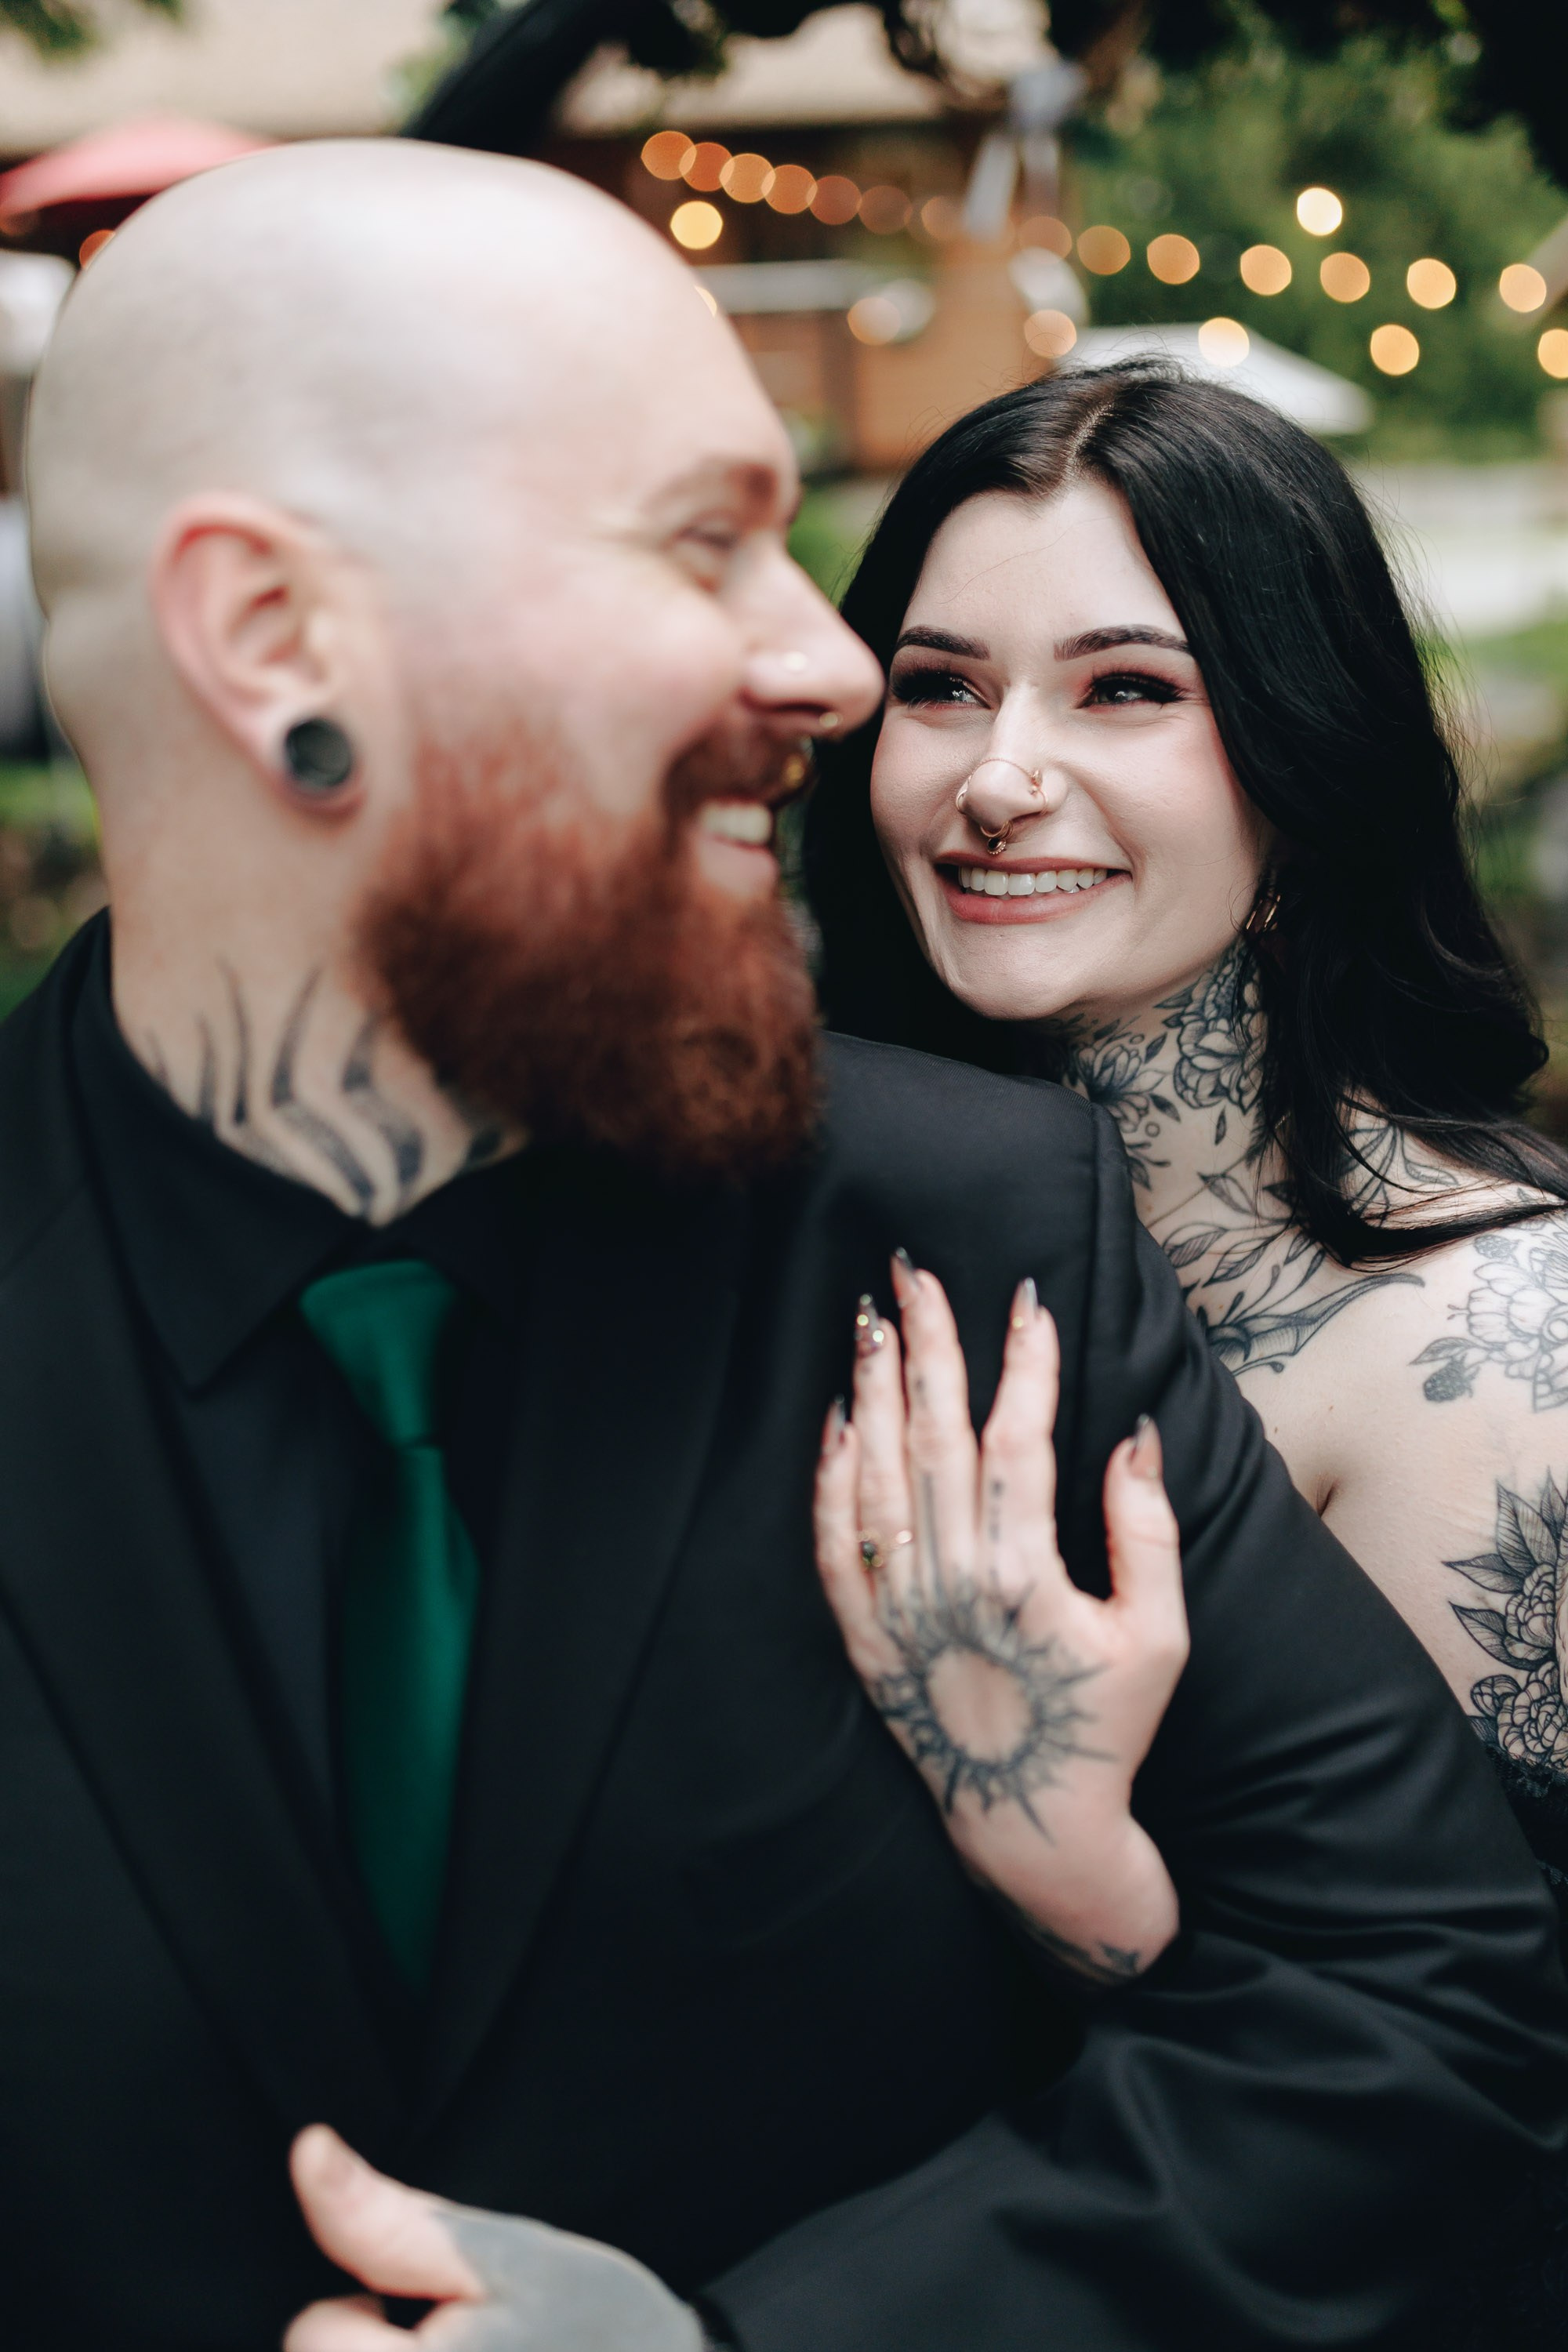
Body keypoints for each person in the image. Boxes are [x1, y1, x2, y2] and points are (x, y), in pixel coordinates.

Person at [8, 141, 1567, 2352]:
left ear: (1301, 760)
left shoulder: (1023, 1234)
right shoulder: (944, 1135)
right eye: (705, 546)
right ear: (268, 641)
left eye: (1130, 689)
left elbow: (1424, 2016)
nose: (848, 685)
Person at [800, 358, 1568, 2341]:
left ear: (1304, 761)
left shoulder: (1484, 1352)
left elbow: (1488, 2103)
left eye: (1124, 689)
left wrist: (1083, 1890)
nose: (997, 773)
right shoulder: (805, 1219)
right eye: (939, 683)